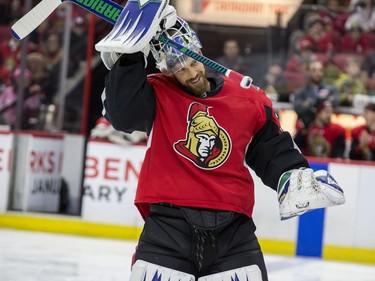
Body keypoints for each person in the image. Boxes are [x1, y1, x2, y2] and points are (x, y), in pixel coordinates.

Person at [99, 9, 345, 281]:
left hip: (233, 234)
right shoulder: (156, 92)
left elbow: (270, 148)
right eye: (178, 69)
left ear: (200, 50)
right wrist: (130, 54)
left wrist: (292, 175)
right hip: (168, 229)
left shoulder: (246, 98)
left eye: (192, 62)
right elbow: (122, 115)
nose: (190, 73)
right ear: (165, 70)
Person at [293, 59, 340, 130]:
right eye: (314, 70)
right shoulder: (300, 92)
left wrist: (309, 102)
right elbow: (298, 108)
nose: (318, 73)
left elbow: (335, 101)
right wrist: (319, 99)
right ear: (308, 72)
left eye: (320, 70)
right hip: (306, 129)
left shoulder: (331, 89)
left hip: (325, 129)